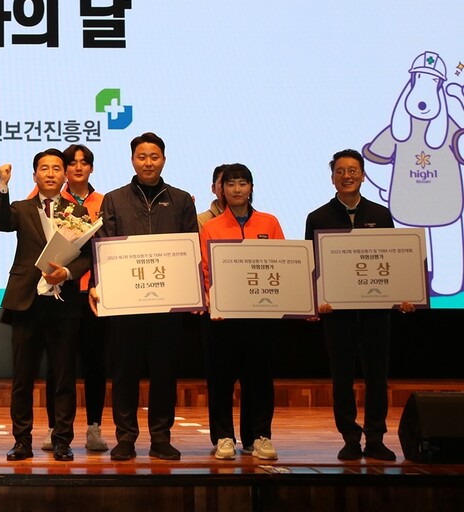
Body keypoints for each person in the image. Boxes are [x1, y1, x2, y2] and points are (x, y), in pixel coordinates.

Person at [89, 132, 197, 461]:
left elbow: (191, 248)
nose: (148, 162)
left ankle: (161, 437)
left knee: (164, 372)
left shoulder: (181, 200)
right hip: (126, 302)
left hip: (168, 302)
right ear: (132, 160)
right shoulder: (114, 199)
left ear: (163, 159)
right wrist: (98, 284)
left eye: (154, 156)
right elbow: (103, 246)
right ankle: (126, 437)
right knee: (124, 372)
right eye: (141, 156)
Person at [305, 149, 414, 462]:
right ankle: (350, 438)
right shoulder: (318, 217)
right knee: (341, 377)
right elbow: (312, 266)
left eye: (353, 170)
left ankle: (376, 438)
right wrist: (316, 300)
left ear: (363, 176)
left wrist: (403, 294)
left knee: (377, 377)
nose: (347, 176)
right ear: (332, 178)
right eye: (340, 171)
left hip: (375, 313)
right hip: (337, 315)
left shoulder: (381, 215)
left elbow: (392, 259)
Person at [0, 149, 92, 463]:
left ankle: (62, 440)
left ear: (65, 175)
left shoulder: (78, 211)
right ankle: (22, 441)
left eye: (56, 168)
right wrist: (3, 185)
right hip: (27, 301)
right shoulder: (21, 208)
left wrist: (68, 273)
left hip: (63, 302)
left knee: (63, 377)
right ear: (35, 175)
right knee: (23, 378)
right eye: (44, 169)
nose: (50, 174)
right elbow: (1, 223)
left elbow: (87, 255)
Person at [199, 163, 285, 462]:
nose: (237, 189)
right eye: (231, 184)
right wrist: (211, 298)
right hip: (221, 317)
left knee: (259, 377)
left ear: (251, 188)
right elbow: (205, 270)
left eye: (242, 183)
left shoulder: (269, 223)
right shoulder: (210, 227)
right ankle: (223, 436)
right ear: (221, 190)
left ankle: (258, 436)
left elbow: (282, 263)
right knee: (220, 379)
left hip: (261, 315)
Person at [197, 165, 227, 231]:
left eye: (231, 183)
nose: (226, 187)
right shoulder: (201, 221)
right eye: (222, 182)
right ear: (213, 188)